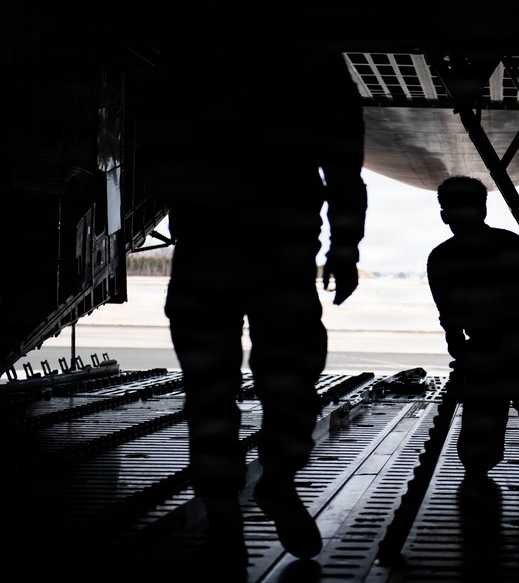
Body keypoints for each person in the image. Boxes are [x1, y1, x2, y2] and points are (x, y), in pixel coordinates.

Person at [144, 41, 367, 570]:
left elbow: (153, 147)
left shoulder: (193, 53)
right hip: (281, 256)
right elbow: (343, 167)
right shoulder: (311, 59)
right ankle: (278, 483)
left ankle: (225, 522)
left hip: (206, 254)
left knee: (209, 397)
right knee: (290, 387)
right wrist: (344, 248)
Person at [426, 176, 519, 498]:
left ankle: (479, 502)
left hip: (486, 353)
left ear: (443, 214)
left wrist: (466, 353)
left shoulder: (441, 258)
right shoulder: (511, 244)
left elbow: (451, 322)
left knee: (479, 451)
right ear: (483, 210)